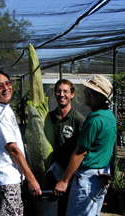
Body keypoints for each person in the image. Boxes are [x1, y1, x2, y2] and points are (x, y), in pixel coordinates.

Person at [54, 75, 117, 216]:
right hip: (100, 177)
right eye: (87, 91)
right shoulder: (109, 115)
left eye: (92, 93)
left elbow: (80, 152)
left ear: (102, 97)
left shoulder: (94, 121)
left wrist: (64, 180)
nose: (87, 95)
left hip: (87, 180)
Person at [0, 69, 42, 216]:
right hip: (6, 180)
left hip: (7, 179)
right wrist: (31, 179)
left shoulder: (4, 107)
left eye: (8, 83)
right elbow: (13, 150)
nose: (6, 88)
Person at [49, 79, 85, 216]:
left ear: (72, 95)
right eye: (58, 91)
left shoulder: (78, 120)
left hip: (70, 177)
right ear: (55, 94)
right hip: (50, 174)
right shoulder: (48, 118)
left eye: (65, 91)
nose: (62, 94)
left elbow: (82, 152)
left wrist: (66, 179)